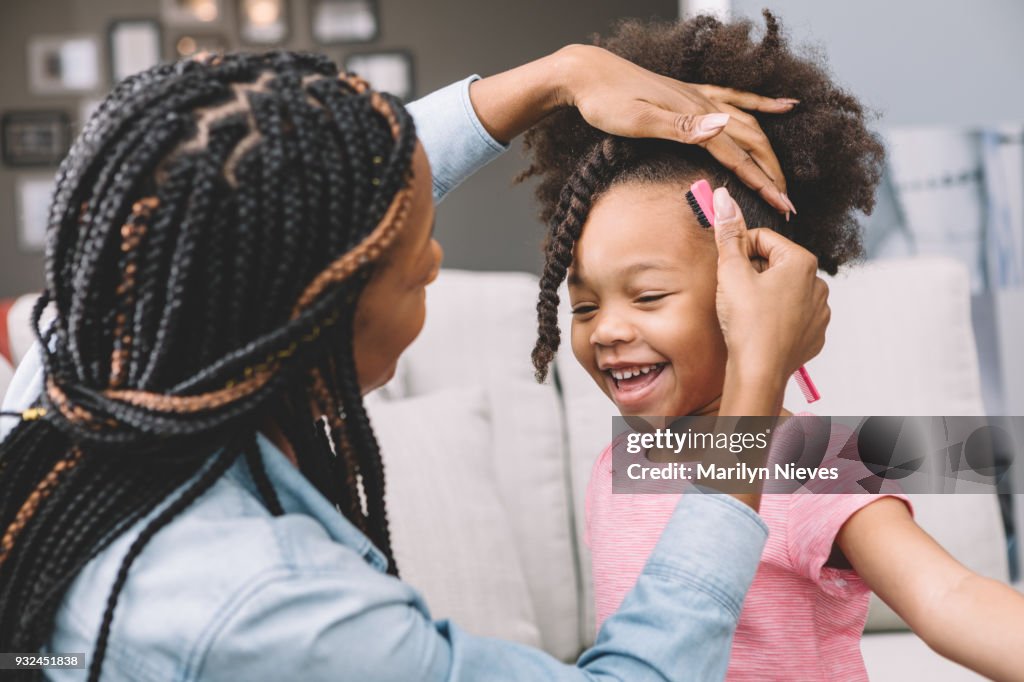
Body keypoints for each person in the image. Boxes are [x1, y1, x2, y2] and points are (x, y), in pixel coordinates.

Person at [0, 45, 820, 681]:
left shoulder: (100, 356)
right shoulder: (261, 605)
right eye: (419, 269)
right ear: (318, 312)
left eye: (649, 295)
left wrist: (560, 76)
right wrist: (757, 378)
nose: (436, 257)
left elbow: (933, 482)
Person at [523, 12, 1024, 682]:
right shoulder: (619, 466)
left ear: (754, 289)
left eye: (647, 297)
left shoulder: (808, 459)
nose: (606, 329)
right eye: (584, 306)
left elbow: (948, 596)